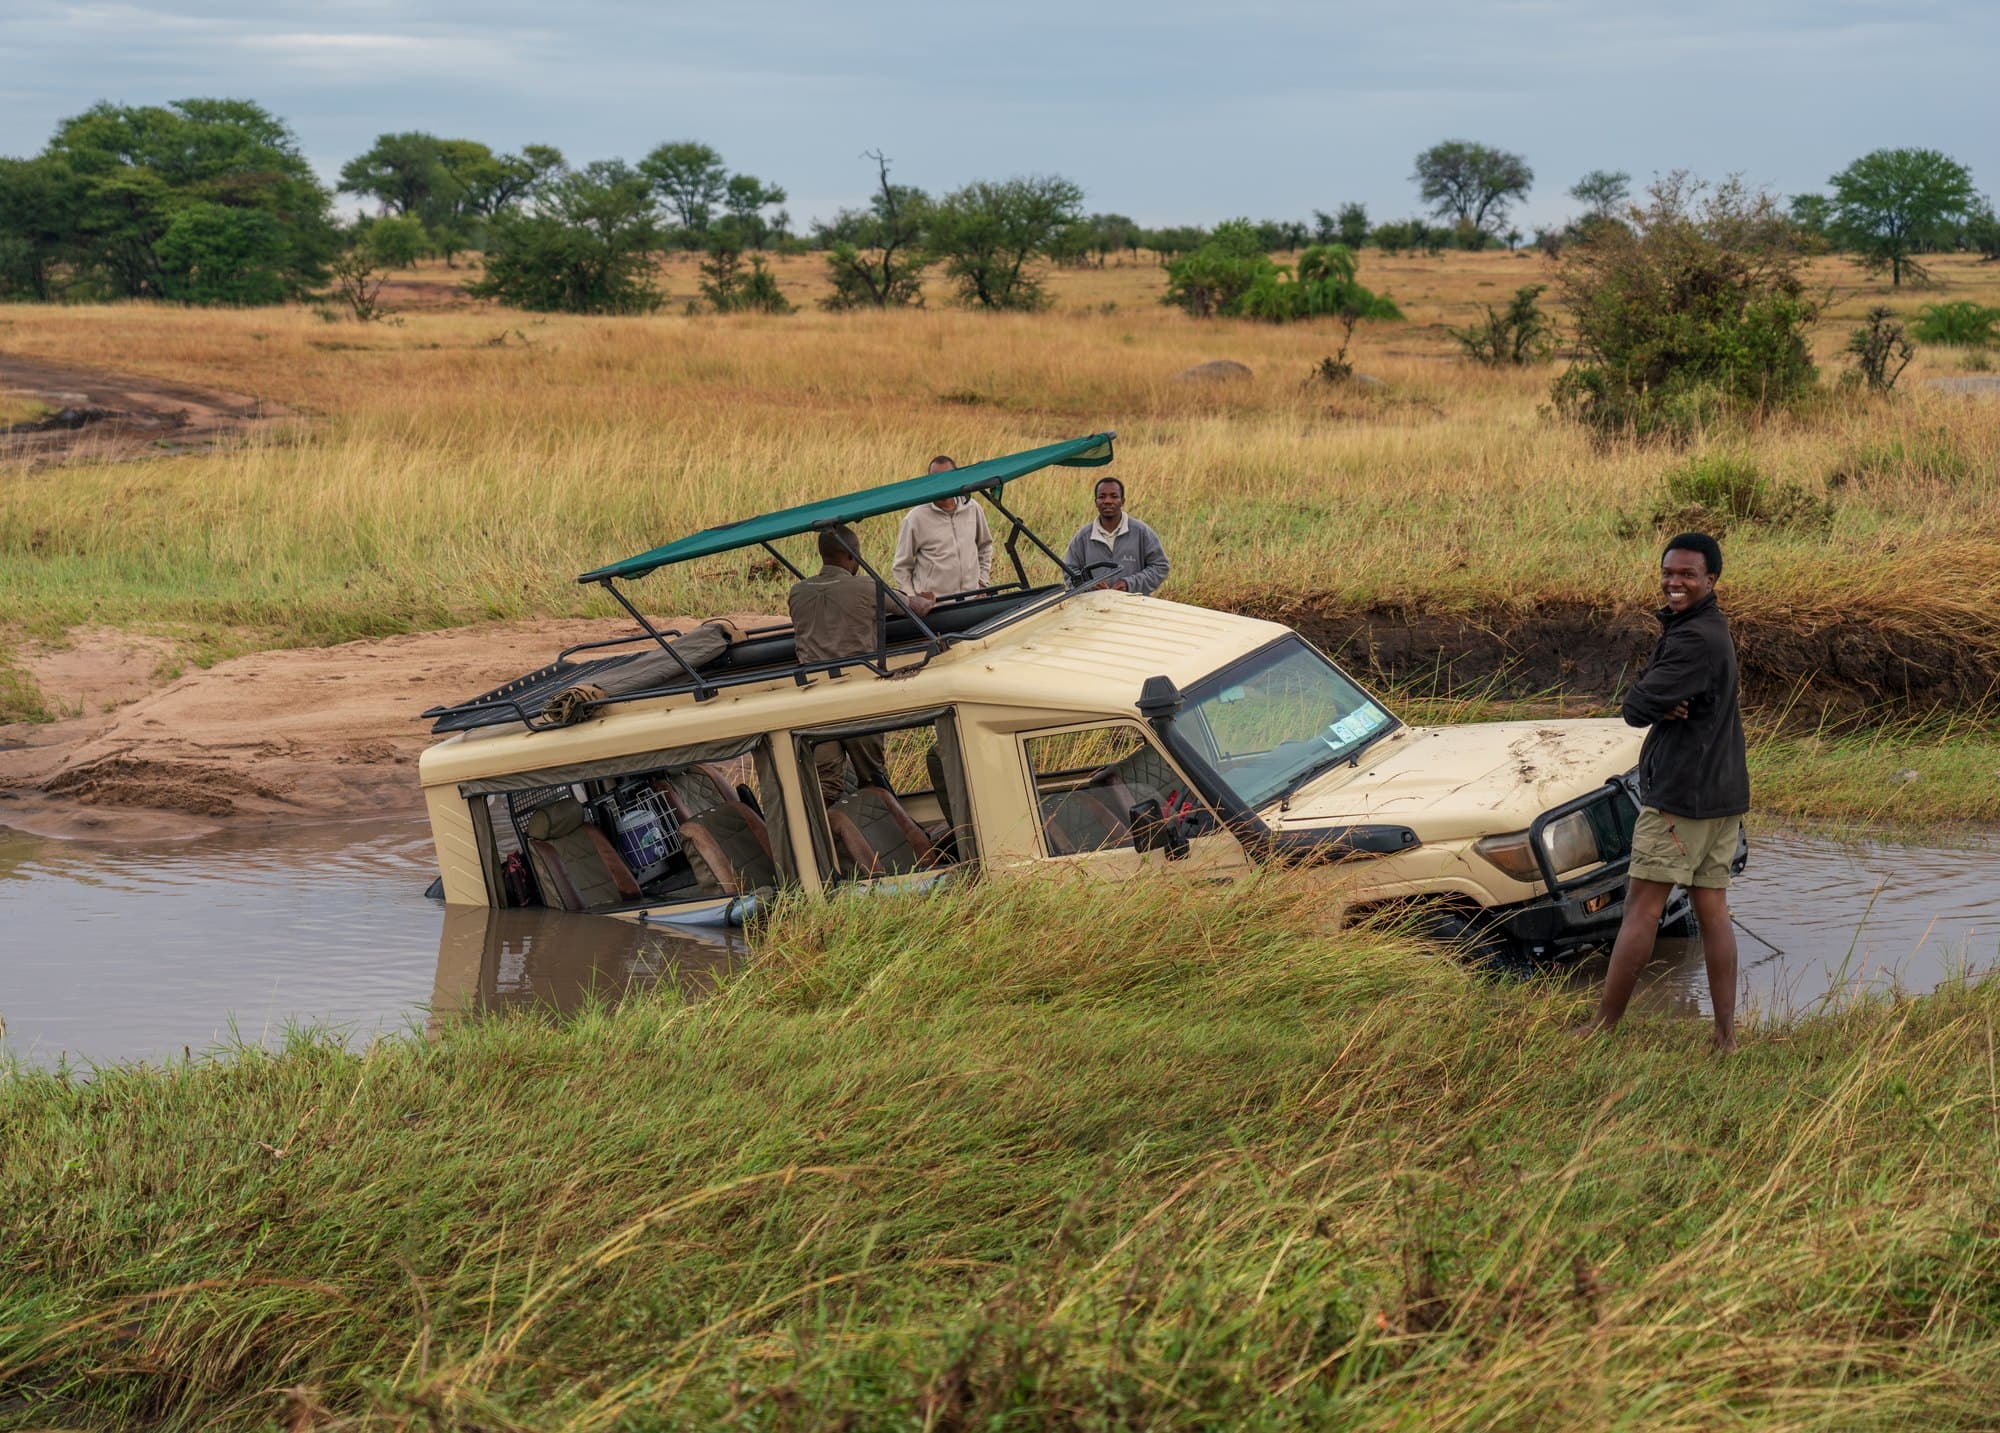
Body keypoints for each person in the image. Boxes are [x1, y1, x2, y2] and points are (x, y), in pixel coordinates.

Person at [1582, 532, 1750, 1052]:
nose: (1674, 583)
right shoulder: (1706, 628)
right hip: (1720, 795)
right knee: (1711, 909)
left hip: (1681, 795)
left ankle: (1603, 1028)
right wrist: (1663, 699)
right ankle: (1724, 1037)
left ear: (1711, 580)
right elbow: (1656, 694)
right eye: (1669, 573)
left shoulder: (1693, 638)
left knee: (1641, 908)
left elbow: (1635, 706)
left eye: (1687, 575)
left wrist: (1656, 700)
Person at [788, 524, 933, 801]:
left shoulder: (798, 592)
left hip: (814, 701)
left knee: (825, 787)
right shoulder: (866, 587)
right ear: (851, 556)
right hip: (859, 695)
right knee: (873, 779)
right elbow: (915, 608)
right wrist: (928, 599)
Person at [892, 455, 993, 601]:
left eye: (947, 479)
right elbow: (901, 567)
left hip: (972, 600)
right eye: (936, 480)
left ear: (956, 479)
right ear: (929, 482)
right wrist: (913, 599)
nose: (942, 485)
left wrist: (983, 582)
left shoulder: (972, 508)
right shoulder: (915, 518)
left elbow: (985, 546)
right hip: (936, 606)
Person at [1061, 476, 1169, 595]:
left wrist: (1129, 584)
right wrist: (1089, 584)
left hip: (1133, 606)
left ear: (1123, 501)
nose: (1107, 501)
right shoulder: (1083, 537)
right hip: (1093, 608)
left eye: (1114, 496)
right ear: (1096, 502)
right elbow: (1069, 570)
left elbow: (1160, 566)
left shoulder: (1141, 532)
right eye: (1102, 497)